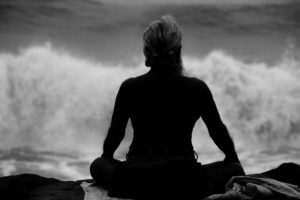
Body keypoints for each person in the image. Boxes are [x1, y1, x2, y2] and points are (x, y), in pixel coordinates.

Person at [90, 15, 245, 199]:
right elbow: (217, 131)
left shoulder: (130, 87)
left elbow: (116, 133)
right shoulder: (197, 88)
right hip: (185, 180)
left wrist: (107, 158)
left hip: (136, 179)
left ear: (146, 53)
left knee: (98, 165)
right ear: (178, 52)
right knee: (234, 168)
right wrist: (233, 159)